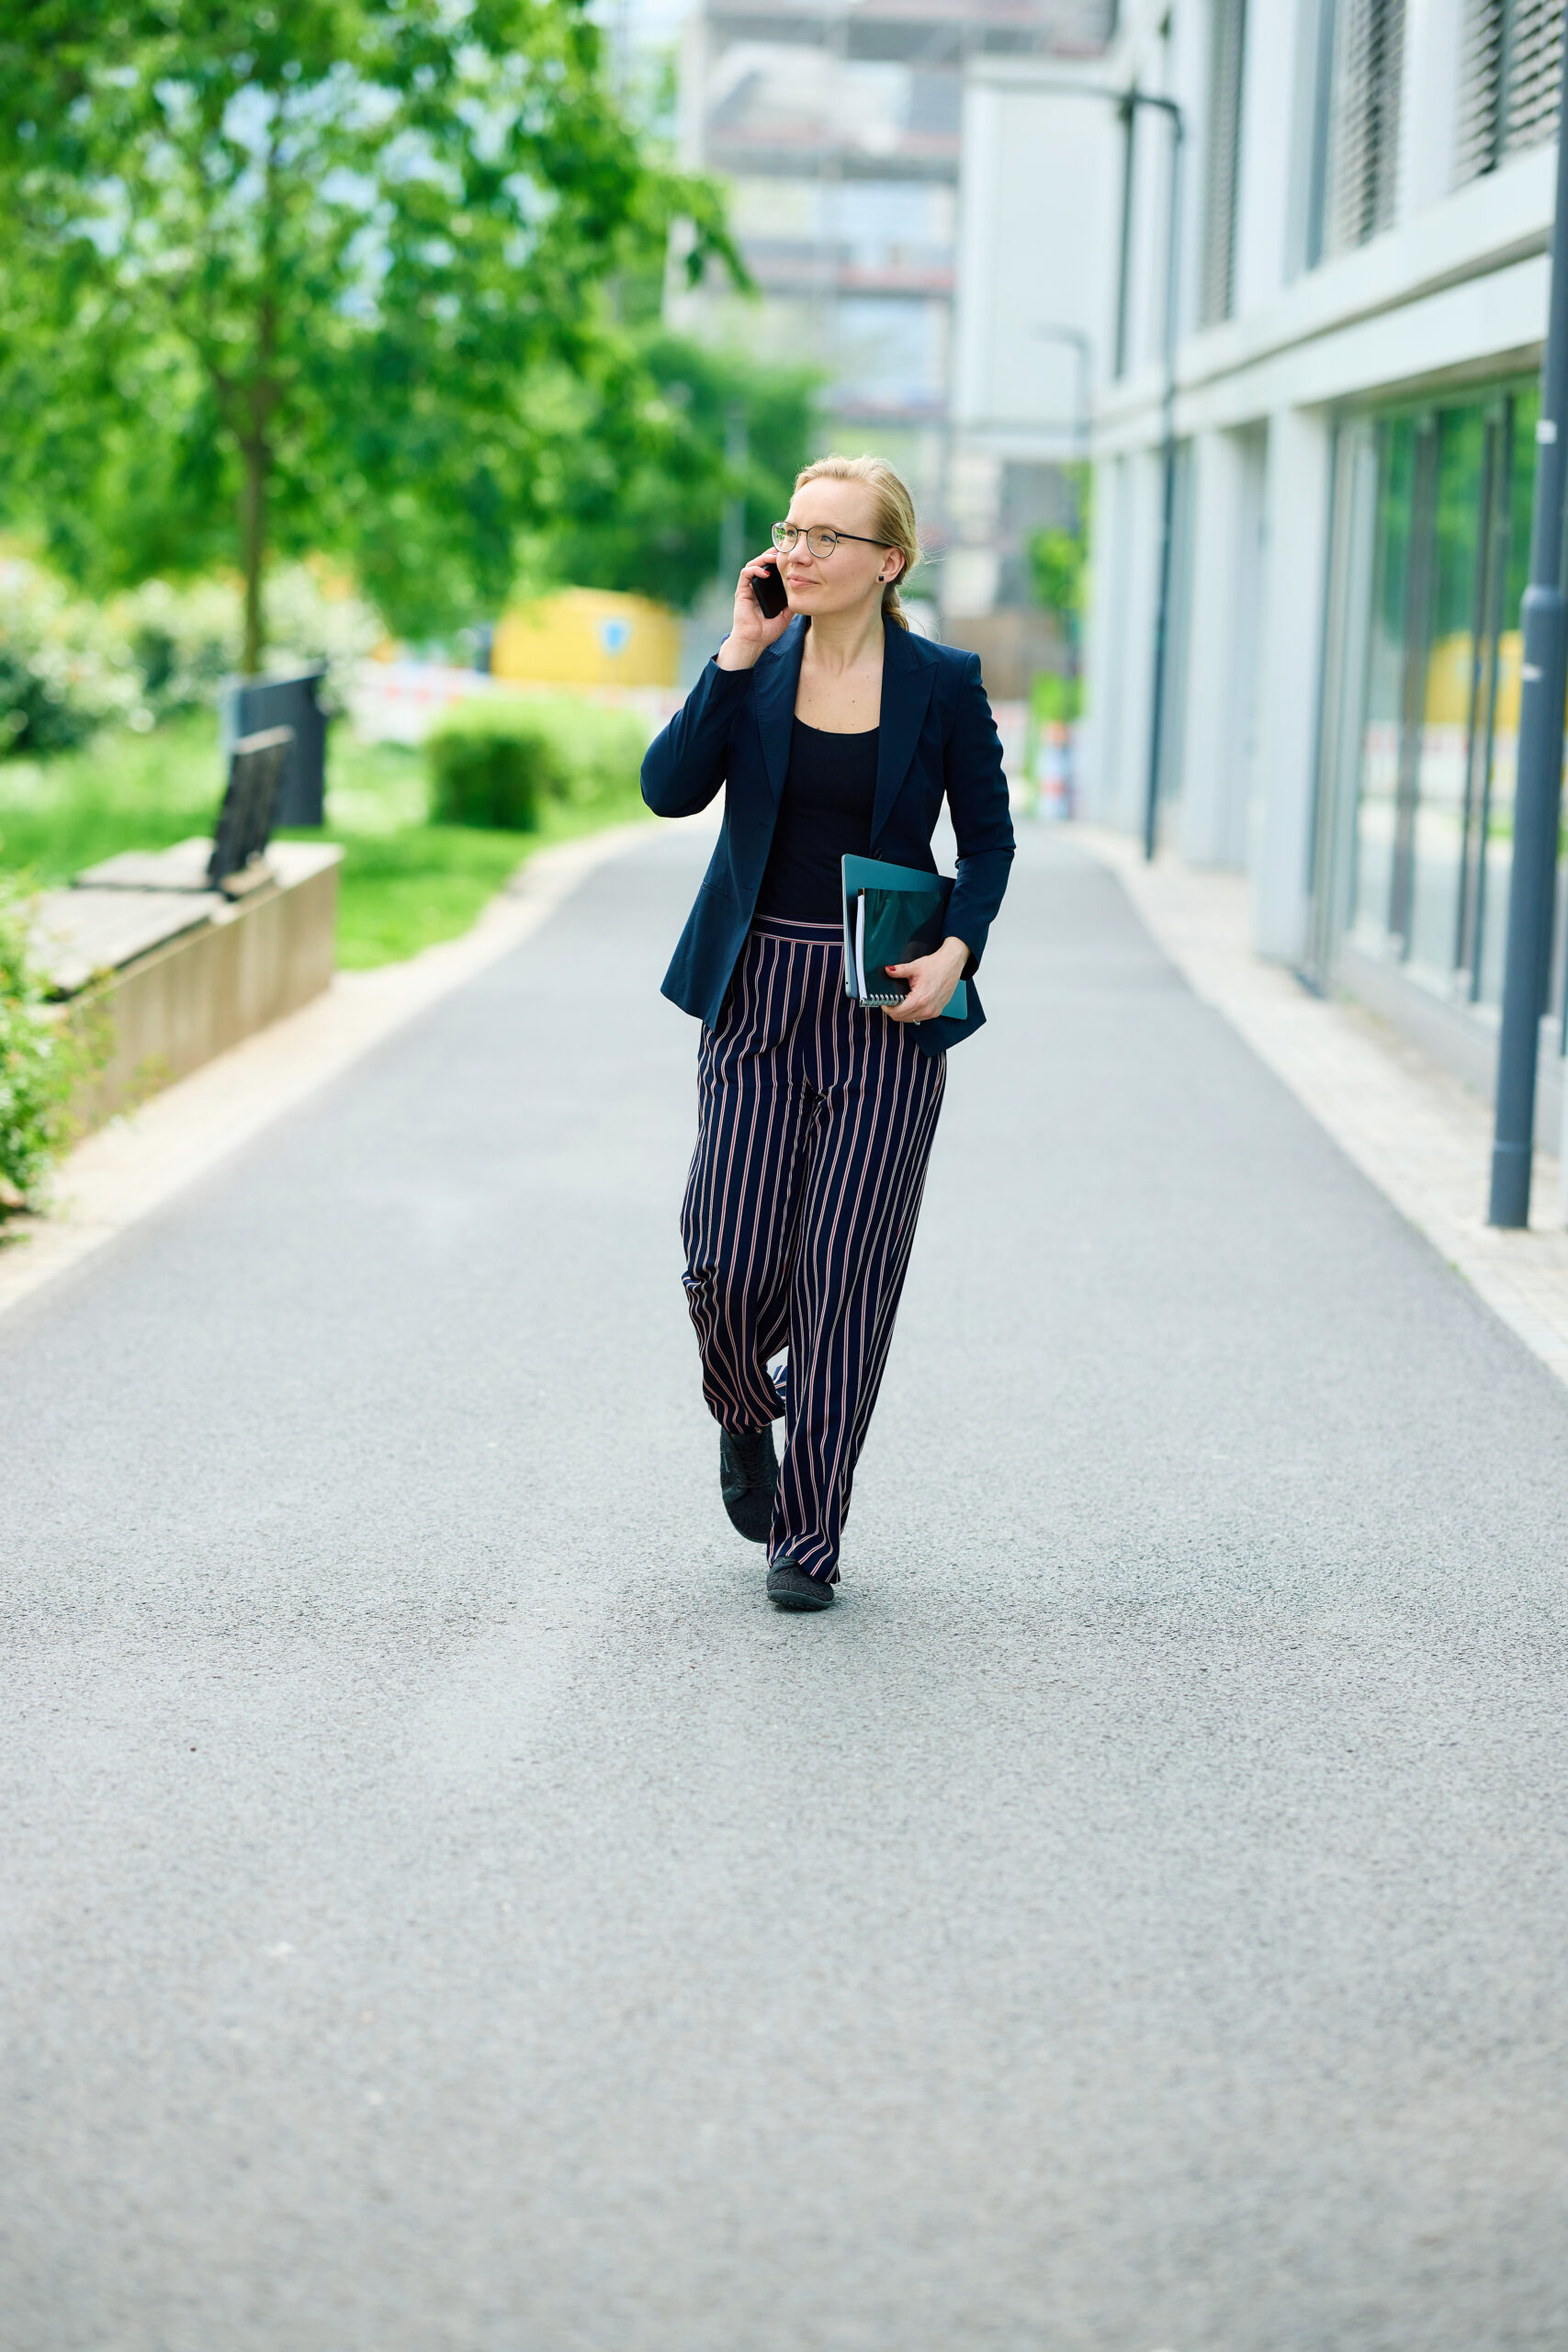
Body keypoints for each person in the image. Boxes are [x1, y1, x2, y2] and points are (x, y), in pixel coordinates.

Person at [641, 454, 1014, 1611]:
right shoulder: (754, 667)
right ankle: (746, 1414)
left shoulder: (943, 684)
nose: (796, 552)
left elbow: (990, 844)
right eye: (790, 531)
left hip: (885, 1004)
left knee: (847, 1274)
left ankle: (808, 1538)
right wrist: (735, 653)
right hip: (756, 990)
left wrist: (958, 947)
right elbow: (666, 789)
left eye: (826, 538)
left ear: (887, 563)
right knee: (727, 1254)